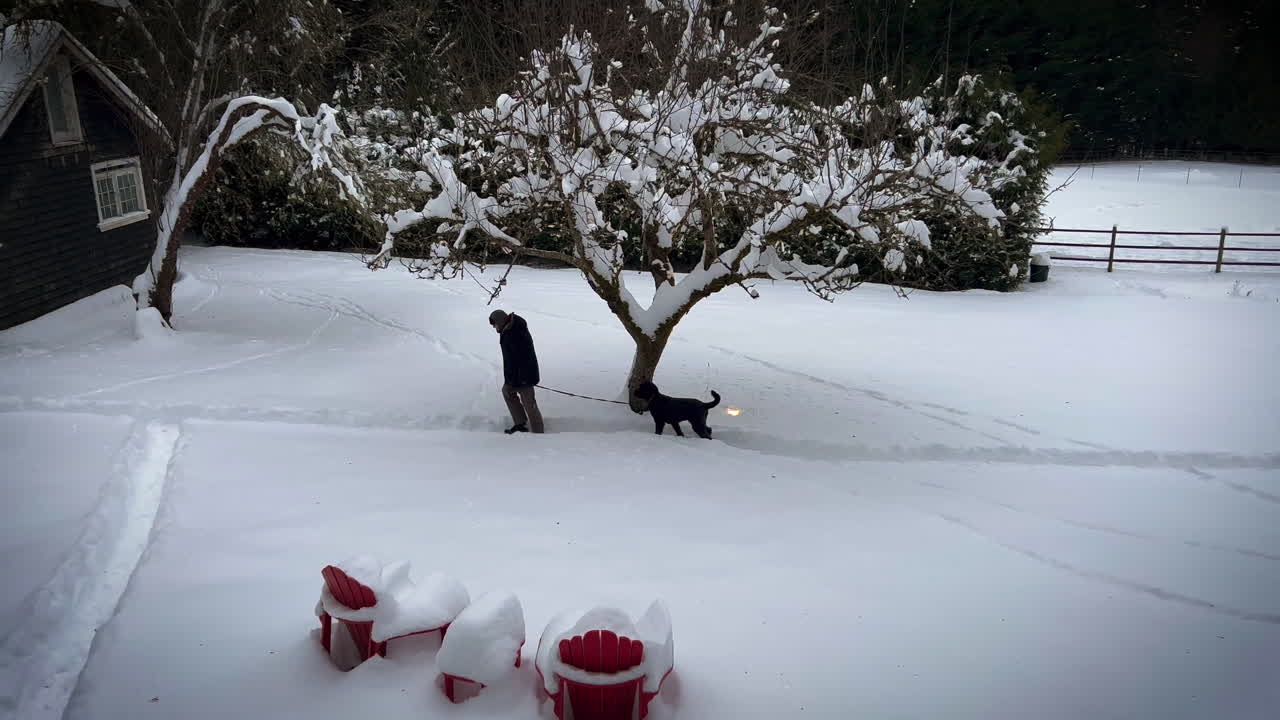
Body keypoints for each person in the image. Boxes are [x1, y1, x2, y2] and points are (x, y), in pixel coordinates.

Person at [489, 309, 544, 434]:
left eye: (494, 324)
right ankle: (520, 424)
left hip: (525, 375)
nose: (494, 327)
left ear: (500, 321)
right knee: (507, 392)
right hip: (514, 376)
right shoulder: (506, 330)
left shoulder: (517, 332)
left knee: (529, 404)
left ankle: (539, 433)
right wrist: (510, 378)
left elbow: (525, 357)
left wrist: (524, 378)